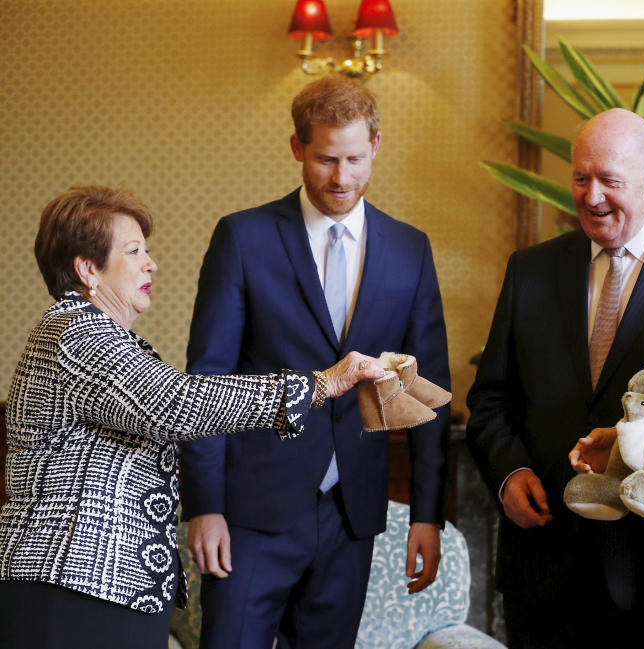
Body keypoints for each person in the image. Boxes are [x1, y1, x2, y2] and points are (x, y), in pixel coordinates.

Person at [0, 186, 383, 649]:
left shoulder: (93, 332)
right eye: (134, 250)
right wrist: (320, 384)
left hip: (104, 586)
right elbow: (179, 404)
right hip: (72, 584)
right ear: (87, 268)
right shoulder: (76, 332)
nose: (150, 263)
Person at [180, 75, 450, 649]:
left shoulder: (410, 248)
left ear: (376, 146)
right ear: (298, 147)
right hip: (251, 511)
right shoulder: (242, 237)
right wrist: (205, 508)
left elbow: (427, 388)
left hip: (351, 513)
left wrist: (427, 514)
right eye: (326, 159)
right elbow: (204, 383)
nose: (342, 177)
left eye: (355, 158)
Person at [465, 107, 644, 649]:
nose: (591, 196)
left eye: (610, 181)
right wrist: (509, 473)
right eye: (580, 177)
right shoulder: (532, 268)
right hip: (541, 557)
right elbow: (492, 396)